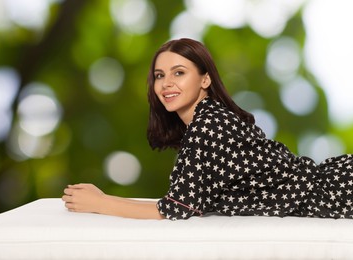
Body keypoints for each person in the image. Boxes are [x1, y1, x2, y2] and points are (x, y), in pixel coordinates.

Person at [62, 38, 353, 221]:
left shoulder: (208, 124)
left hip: (338, 189)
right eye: (159, 76)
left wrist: (101, 203)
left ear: (205, 80)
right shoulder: (208, 120)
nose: (166, 84)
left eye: (179, 72)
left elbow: (176, 208)